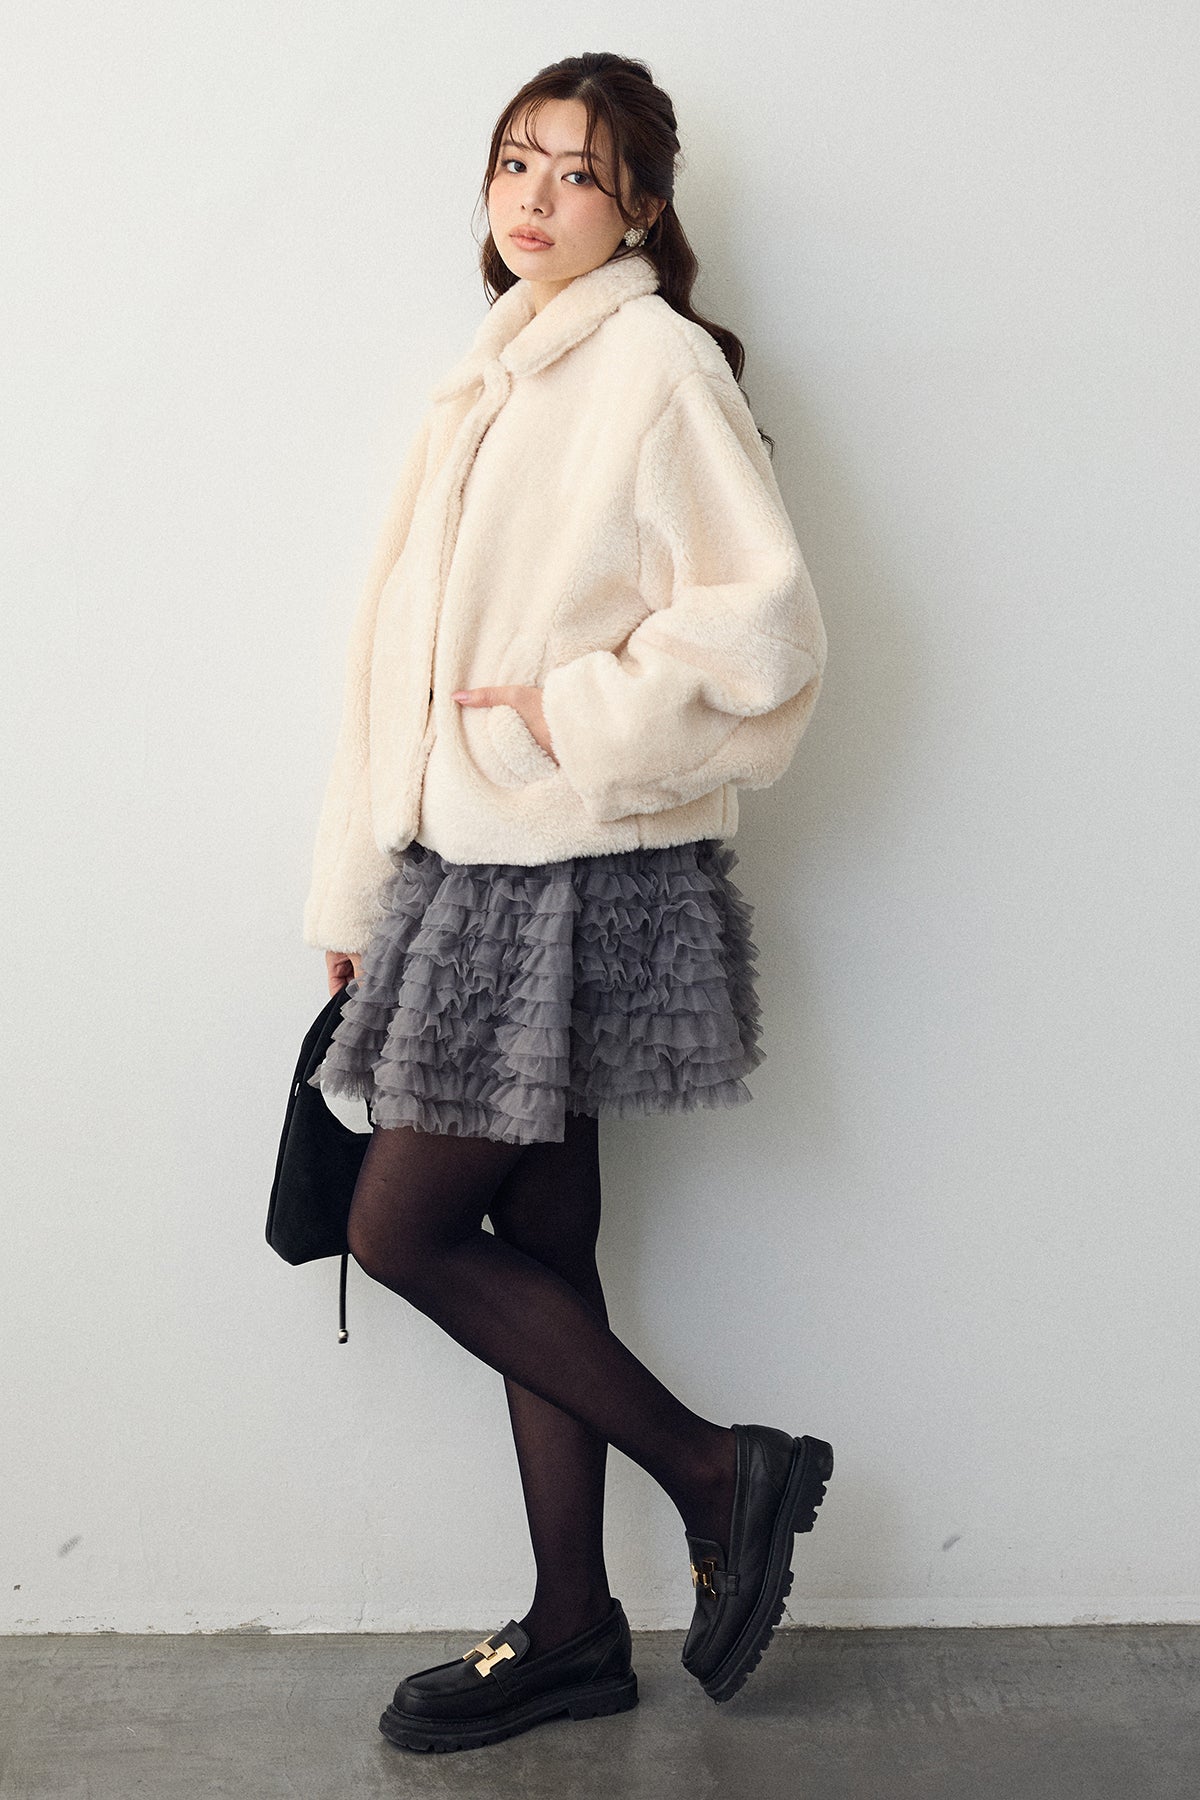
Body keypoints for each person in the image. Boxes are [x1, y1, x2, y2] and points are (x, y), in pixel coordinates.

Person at [300, 51, 832, 1754]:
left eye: (578, 174)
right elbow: (393, 656)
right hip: (470, 868)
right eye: (515, 163)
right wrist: (363, 876)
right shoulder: (496, 373)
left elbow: (769, 630)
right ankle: (575, 1628)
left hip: (562, 868)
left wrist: (569, 710)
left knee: (398, 1229)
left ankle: (718, 1471)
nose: (534, 199)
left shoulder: (652, 366)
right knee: (539, 1248)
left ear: (642, 207)